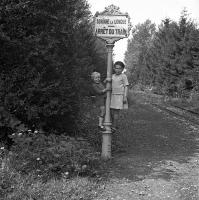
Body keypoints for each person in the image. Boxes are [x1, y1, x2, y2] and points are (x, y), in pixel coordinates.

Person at [110, 61, 129, 130]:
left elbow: (126, 86)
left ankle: (114, 126)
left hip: (119, 96)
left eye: (119, 68)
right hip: (112, 95)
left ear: (122, 69)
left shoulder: (123, 76)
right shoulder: (112, 76)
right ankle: (114, 123)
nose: (117, 70)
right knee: (111, 111)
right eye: (116, 68)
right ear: (114, 68)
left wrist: (125, 97)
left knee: (116, 111)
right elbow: (107, 83)